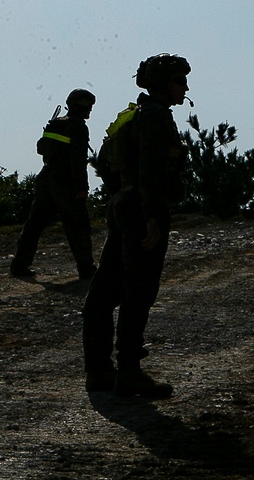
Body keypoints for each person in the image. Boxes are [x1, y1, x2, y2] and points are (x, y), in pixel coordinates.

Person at [82, 54, 190, 397]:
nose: (185, 87)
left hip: (124, 204)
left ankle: (99, 371)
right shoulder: (156, 116)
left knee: (104, 291)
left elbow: (106, 164)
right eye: (180, 80)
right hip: (142, 209)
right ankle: (128, 371)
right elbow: (153, 171)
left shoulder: (135, 114)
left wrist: (121, 202)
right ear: (164, 84)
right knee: (138, 291)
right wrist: (152, 217)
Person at [10, 89, 98, 279]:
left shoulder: (56, 123)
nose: (90, 111)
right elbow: (77, 159)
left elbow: (42, 150)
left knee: (35, 223)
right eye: (89, 107)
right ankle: (86, 268)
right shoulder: (78, 127)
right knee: (78, 224)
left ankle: (19, 264)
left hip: (46, 176)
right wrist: (82, 187)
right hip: (65, 180)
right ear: (83, 107)